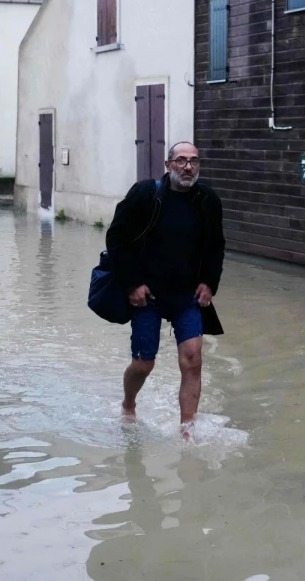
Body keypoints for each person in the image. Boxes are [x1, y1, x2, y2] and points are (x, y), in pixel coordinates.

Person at [105, 141, 225, 434]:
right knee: (144, 364)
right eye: (181, 160)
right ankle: (129, 404)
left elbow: (216, 246)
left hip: (187, 294)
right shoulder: (146, 195)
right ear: (168, 164)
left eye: (194, 161)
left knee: (193, 358)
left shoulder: (208, 200)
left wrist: (210, 283)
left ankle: (187, 429)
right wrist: (133, 284)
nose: (188, 167)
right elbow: (116, 239)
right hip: (148, 295)